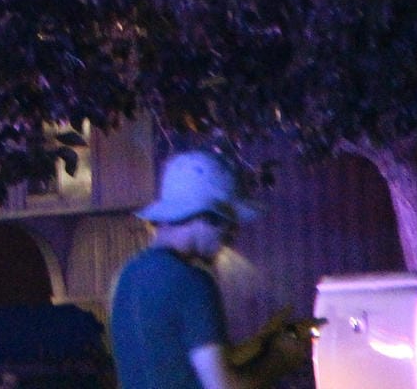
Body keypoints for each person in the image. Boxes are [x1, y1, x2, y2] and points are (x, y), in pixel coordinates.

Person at [109, 150, 319, 389]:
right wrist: (280, 358)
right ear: (206, 216)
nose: (233, 235)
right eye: (230, 223)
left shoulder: (128, 276)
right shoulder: (192, 282)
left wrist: (261, 348)